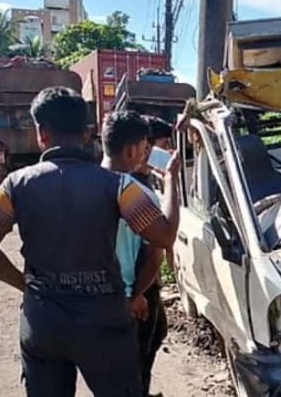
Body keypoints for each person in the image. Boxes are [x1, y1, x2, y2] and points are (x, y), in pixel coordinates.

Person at [0, 87, 180, 397]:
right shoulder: (119, 186)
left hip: (43, 321)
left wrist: (27, 285)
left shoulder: (15, 184)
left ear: (41, 133)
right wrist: (172, 182)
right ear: (86, 133)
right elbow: (164, 236)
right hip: (104, 323)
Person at [100, 112, 172, 397]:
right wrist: (136, 293)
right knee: (136, 359)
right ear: (140, 148)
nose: (164, 154)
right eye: (156, 147)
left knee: (149, 341)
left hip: (109, 293)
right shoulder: (136, 193)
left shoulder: (95, 183)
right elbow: (158, 249)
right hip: (133, 291)